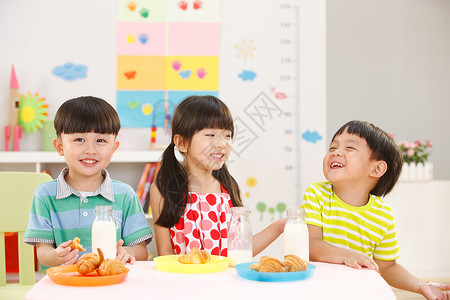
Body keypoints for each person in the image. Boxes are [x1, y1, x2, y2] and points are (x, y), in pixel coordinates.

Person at [301, 120, 449, 299]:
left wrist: (421, 286)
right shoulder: (317, 194)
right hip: (317, 291)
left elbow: (387, 267)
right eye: (332, 148)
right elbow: (309, 244)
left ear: (377, 168)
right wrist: (347, 255)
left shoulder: (382, 214)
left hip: (357, 293)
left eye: (349, 148)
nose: (336, 152)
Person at [24, 96, 153, 267]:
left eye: (101, 141)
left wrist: (127, 253)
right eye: (79, 140)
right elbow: (43, 251)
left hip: (111, 284)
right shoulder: (45, 195)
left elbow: (140, 250)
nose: (90, 150)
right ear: (60, 147)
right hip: (66, 285)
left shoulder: (125, 195)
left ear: (113, 148)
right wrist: (56, 256)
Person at [150, 95, 285, 256]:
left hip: (227, 280)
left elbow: (240, 250)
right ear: (181, 143)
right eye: (210, 135)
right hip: (183, 280)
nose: (222, 144)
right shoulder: (164, 189)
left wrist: (278, 227)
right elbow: (165, 253)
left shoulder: (229, 189)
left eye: (227, 136)